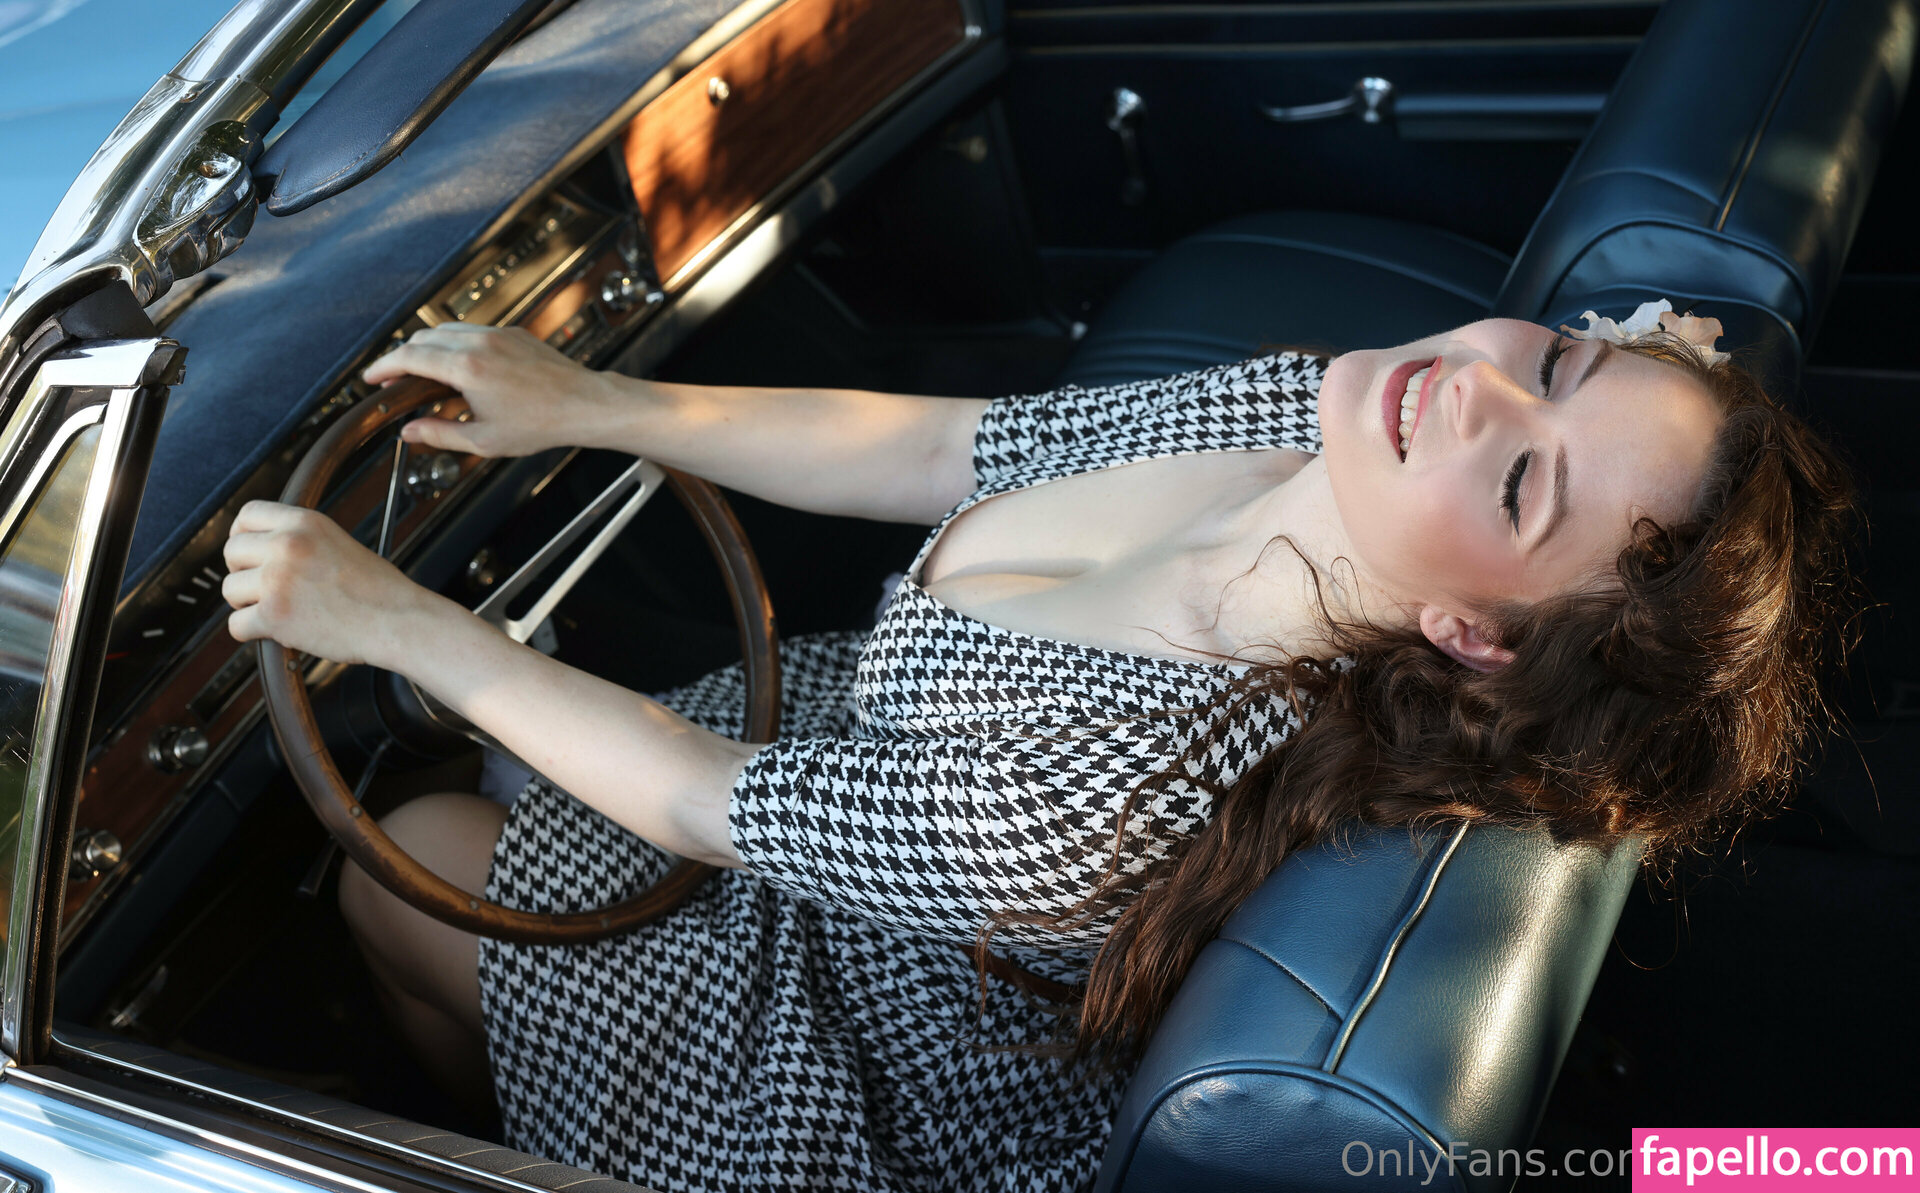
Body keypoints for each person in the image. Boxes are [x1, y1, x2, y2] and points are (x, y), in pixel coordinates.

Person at [220, 309, 1857, 1192]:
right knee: (474, 792)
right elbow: (953, 447)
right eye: (1561, 359)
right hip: (836, 762)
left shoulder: (1119, 797)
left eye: (1522, 483)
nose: (1483, 390)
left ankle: (497, 1144)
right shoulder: (1325, 418)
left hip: (837, 1051)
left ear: (1475, 635)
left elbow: (708, 801)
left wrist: (402, 622)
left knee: (393, 875)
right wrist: (591, 402)